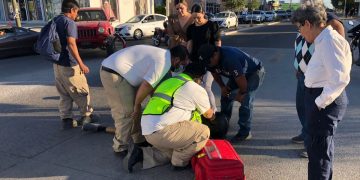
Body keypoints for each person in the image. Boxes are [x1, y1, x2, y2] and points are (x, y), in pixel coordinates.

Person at [292, 4, 351, 179]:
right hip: (320, 100)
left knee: (318, 156)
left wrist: (319, 102)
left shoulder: (329, 41)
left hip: (324, 104)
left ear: (308, 24)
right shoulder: (323, 39)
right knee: (321, 152)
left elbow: (340, 77)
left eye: (300, 27)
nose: (300, 33)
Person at [100, 45, 190, 156]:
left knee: (135, 110)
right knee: (126, 112)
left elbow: (154, 88)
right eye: (181, 64)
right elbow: (147, 85)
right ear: (176, 59)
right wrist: (137, 105)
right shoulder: (163, 62)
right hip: (114, 72)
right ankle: (120, 147)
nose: (180, 67)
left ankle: (139, 139)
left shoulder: (164, 55)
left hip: (123, 72)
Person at [123, 62, 214, 173]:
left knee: (173, 151)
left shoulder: (170, 81)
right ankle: (179, 163)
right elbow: (208, 114)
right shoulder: (194, 87)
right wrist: (214, 117)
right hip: (162, 131)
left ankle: (141, 154)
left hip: (147, 130)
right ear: (199, 77)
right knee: (203, 132)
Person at [198, 44, 265, 142]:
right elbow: (214, 72)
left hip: (254, 73)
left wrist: (241, 94)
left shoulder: (230, 59)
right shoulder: (210, 62)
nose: (208, 64)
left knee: (246, 101)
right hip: (237, 75)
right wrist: (222, 87)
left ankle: (245, 132)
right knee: (226, 96)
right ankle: (224, 123)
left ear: (215, 54)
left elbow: (242, 81)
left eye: (209, 61)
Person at [53, 0, 96, 130]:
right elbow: (71, 44)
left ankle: (66, 119)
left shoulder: (56, 20)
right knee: (81, 90)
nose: (76, 15)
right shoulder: (69, 22)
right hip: (69, 64)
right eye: (76, 11)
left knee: (64, 92)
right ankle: (86, 116)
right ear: (72, 10)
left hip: (57, 64)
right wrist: (81, 63)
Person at [187, 3, 221, 113]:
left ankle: (214, 111)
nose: (196, 20)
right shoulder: (191, 28)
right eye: (194, 18)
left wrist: (218, 57)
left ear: (203, 14)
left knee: (206, 86)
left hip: (210, 60)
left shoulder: (212, 25)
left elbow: (218, 42)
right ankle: (201, 111)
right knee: (196, 87)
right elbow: (190, 44)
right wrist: (188, 58)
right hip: (196, 60)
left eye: (198, 17)